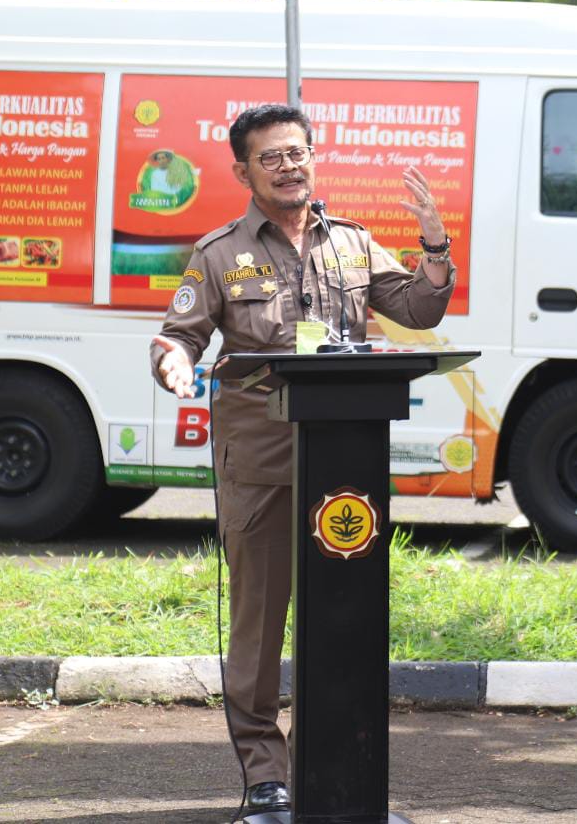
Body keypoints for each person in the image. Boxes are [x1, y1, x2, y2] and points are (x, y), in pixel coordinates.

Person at [149, 103, 455, 815]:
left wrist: (433, 246)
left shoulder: (351, 243)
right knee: (258, 622)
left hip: (342, 469)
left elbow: (417, 310)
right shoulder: (220, 253)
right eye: (272, 157)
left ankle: (337, 763)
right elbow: (179, 335)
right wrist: (173, 364)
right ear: (243, 171)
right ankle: (265, 775)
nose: (290, 166)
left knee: (346, 613)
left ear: (314, 157)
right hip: (260, 463)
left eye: (298, 152)